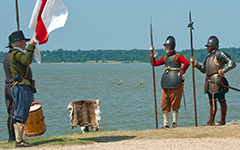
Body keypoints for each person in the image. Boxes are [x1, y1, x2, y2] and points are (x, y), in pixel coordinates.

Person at [190, 35, 236, 126]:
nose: (208, 47)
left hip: (218, 80)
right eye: (207, 46)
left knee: (221, 100)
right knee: (212, 101)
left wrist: (222, 71)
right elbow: (204, 70)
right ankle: (211, 121)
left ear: (214, 45)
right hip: (209, 81)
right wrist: (196, 65)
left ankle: (222, 121)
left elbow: (231, 63)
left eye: (209, 46)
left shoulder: (219, 54)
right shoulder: (208, 57)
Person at [150, 35, 190, 128]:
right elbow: (154, 64)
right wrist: (152, 55)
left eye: (167, 46)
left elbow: (187, 63)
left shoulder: (177, 57)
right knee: (164, 104)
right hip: (166, 83)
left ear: (172, 46)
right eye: (165, 46)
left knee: (175, 105)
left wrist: (181, 71)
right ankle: (165, 124)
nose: (166, 48)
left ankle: (174, 123)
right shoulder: (165, 58)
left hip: (175, 82)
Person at [8, 30, 37, 147]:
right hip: (22, 86)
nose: (25, 44)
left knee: (21, 111)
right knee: (21, 112)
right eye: (24, 42)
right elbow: (27, 61)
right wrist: (31, 47)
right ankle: (19, 140)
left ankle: (19, 139)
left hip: (20, 86)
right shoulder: (17, 54)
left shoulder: (15, 54)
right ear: (19, 43)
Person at [3, 37, 15, 142]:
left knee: (10, 112)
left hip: (7, 84)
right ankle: (14, 137)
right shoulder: (13, 57)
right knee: (15, 112)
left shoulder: (6, 57)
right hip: (14, 85)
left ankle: (12, 137)